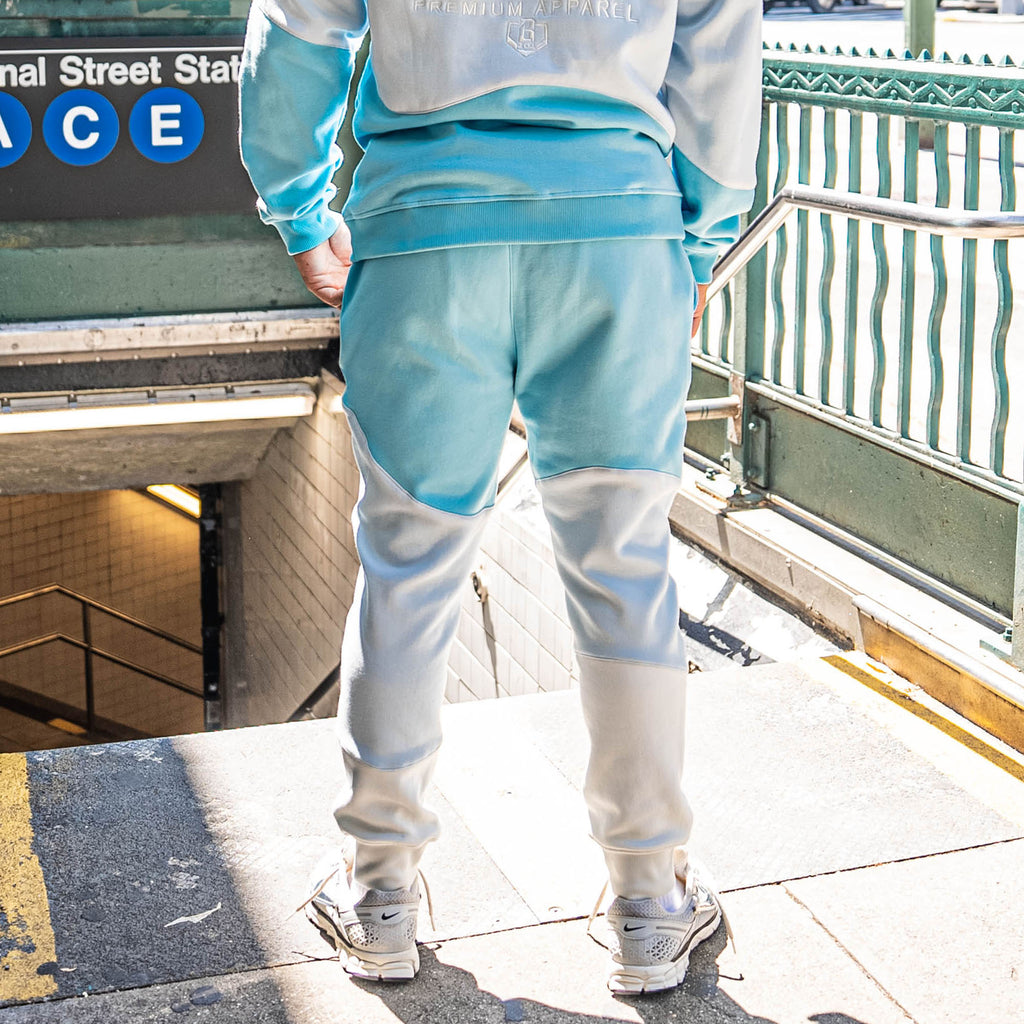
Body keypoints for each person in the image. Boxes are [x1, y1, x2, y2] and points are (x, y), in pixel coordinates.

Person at [239, 0, 761, 994]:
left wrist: (302, 210)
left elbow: (297, 33)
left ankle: (377, 889)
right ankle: (649, 898)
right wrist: (696, 238)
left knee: (409, 560)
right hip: (618, 235)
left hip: (424, 233)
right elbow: (721, 55)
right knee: (622, 564)